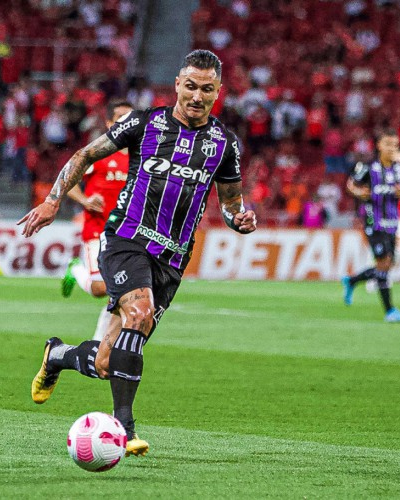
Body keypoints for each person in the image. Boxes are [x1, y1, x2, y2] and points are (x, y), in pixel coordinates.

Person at [17, 50, 257, 456]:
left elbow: (231, 204)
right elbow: (84, 155)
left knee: (109, 360)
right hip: (126, 239)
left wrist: (240, 219)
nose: (197, 96)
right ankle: (124, 430)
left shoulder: (224, 145)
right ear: (178, 84)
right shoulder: (145, 123)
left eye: (207, 89)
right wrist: (54, 200)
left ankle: (57, 355)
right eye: (191, 86)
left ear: (219, 92)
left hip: (173, 259)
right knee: (139, 312)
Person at [61, 100, 134, 342]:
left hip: (125, 233)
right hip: (96, 229)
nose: (126, 122)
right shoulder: (99, 152)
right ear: (109, 123)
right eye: (121, 118)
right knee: (99, 289)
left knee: (121, 290)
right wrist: (84, 200)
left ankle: (98, 344)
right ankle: (76, 269)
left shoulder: (139, 157)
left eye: (130, 117)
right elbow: (67, 181)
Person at [341, 130, 400, 323]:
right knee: (384, 263)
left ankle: (352, 281)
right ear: (379, 145)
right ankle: (390, 311)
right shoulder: (367, 166)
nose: (392, 149)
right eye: (388, 144)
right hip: (373, 220)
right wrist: (359, 192)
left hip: (392, 221)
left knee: (387, 265)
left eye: (395, 145)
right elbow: (351, 184)